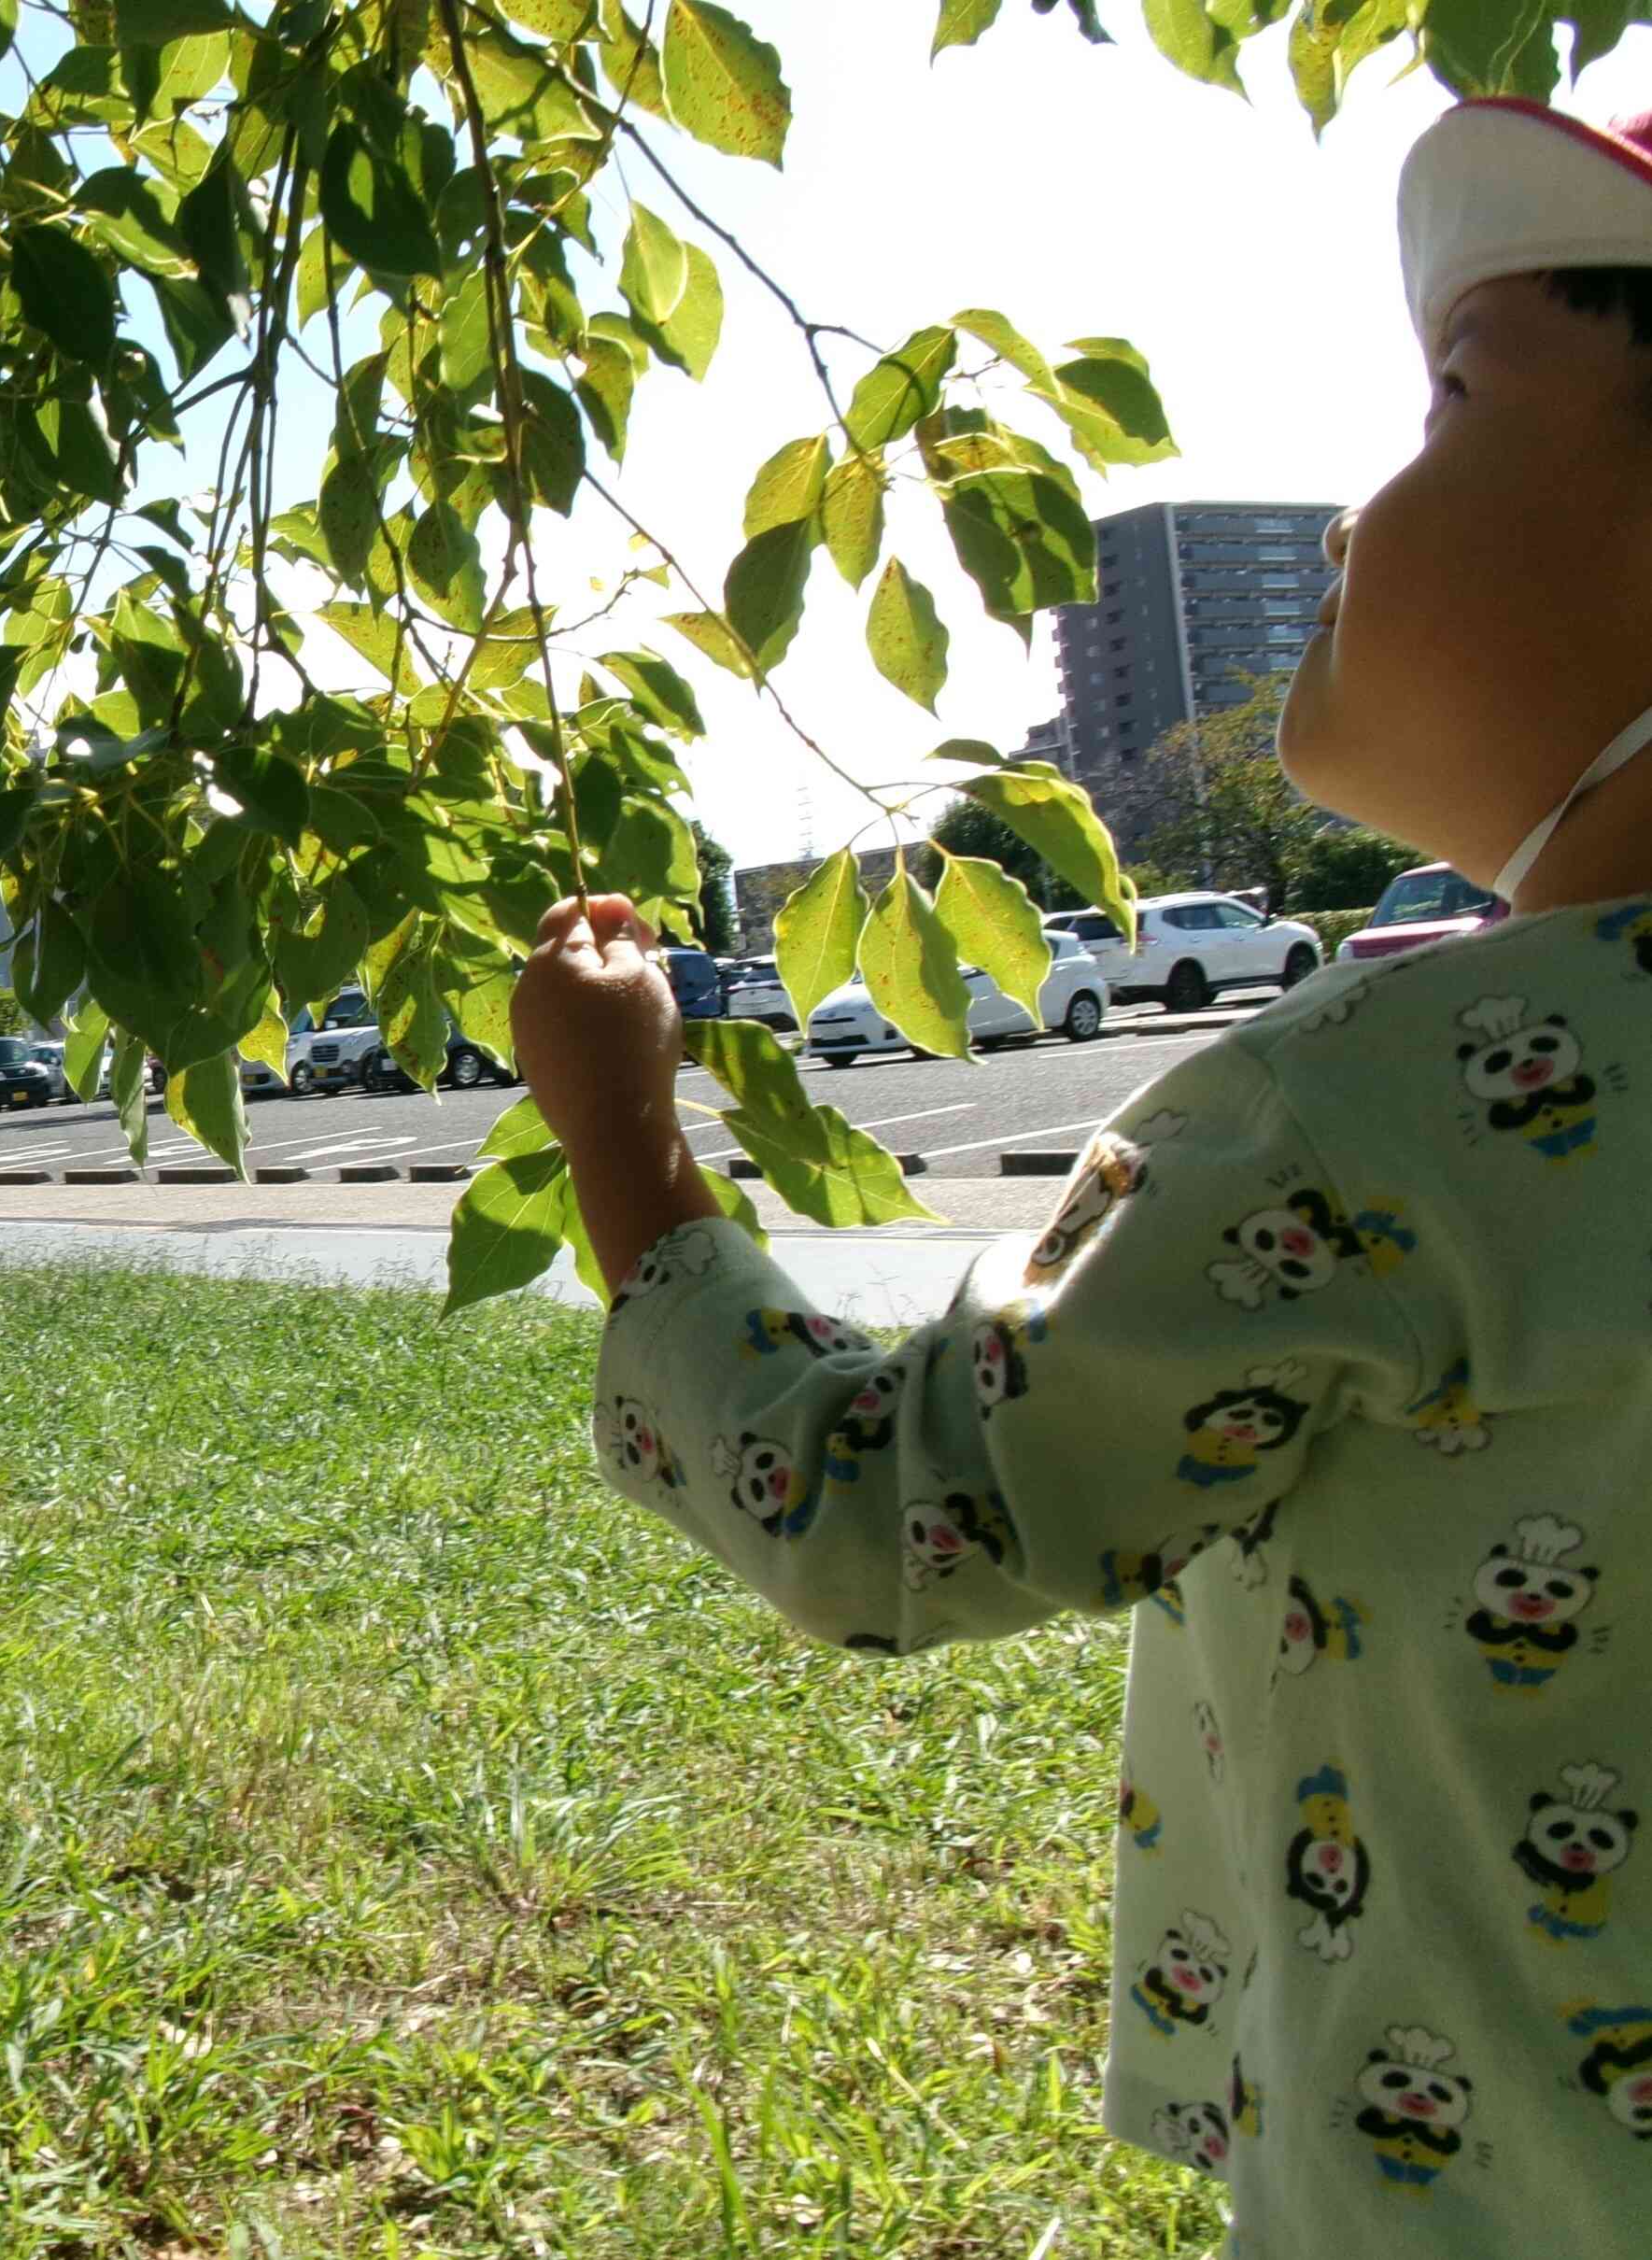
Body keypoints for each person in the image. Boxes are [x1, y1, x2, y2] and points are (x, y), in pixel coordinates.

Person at [510, 98, 1652, 2253]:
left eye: (1447, 390)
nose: (1341, 521)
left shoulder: (1390, 1102)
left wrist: (622, 1139)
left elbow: (884, 1508)